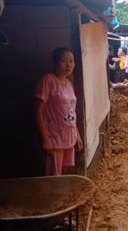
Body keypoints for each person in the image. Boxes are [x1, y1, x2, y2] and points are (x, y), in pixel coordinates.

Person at [35, 47, 83, 175]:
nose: (68, 65)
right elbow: (37, 110)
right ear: (55, 62)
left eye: (71, 61)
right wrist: (45, 139)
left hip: (69, 139)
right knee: (53, 179)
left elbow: (71, 111)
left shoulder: (68, 83)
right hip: (54, 140)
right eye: (63, 61)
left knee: (63, 176)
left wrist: (76, 134)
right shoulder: (48, 80)